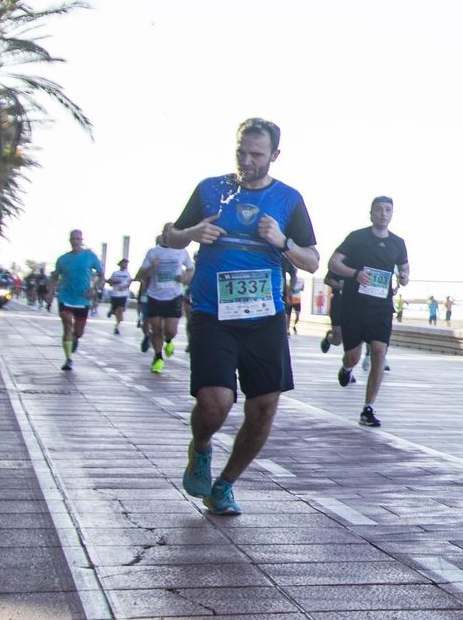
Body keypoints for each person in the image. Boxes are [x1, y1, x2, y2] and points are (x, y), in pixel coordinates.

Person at [164, 118, 319, 515]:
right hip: (212, 312)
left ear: (274, 156)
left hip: (265, 316)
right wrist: (193, 232)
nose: (247, 161)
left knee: (264, 407)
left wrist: (282, 241)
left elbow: (313, 262)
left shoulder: (288, 200)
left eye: (256, 154)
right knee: (216, 403)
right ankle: (200, 448)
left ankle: (226, 484)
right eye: (241, 152)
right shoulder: (210, 190)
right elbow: (168, 236)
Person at [328, 196, 410, 427]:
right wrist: (355, 274)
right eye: (379, 210)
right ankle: (346, 368)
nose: (383, 214)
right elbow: (333, 263)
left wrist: (404, 277)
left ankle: (368, 408)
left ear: (392, 214)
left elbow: (404, 269)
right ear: (371, 213)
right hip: (354, 306)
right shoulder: (357, 237)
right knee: (353, 356)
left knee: (378, 353)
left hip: (381, 308)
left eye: (387, 210)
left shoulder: (398, 243)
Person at [136, 226, 195, 374]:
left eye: (173, 231)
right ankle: (158, 357)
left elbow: (190, 269)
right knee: (156, 329)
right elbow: (140, 274)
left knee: (170, 330)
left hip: (174, 296)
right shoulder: (153, 252)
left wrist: (185, 278)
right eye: (167, 231)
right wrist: (151, 266)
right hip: (154, 296)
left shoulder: (181, 251)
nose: (170, 234)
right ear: (163, 233)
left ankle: (168, 341)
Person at [51, 230, 105, 371]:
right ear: (69, 240)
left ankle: (75, 339)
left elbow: (101, 275)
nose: (75, 241)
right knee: (67, 324)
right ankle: (68, 359)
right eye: (73, 239)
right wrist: (49, 292)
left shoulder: (90, 257)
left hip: (83, 299)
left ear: (82, 240)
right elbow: (54, 277)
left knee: (79, 332)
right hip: (65, 297)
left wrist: (94, 289)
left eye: (77, 239)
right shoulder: (62, 259)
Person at [106, 260, 134, 333]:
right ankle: (112, 311)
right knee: (116, 311)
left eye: (126, 264)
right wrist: (115, 282)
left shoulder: (127, 273)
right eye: (124, 263)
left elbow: (129, 281)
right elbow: (108, 281)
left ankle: (117, 326)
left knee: (121, 310)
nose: (125, 265)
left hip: (123, 295)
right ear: (120, 264)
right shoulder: (115, 273)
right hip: (115, 294)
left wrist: (127, 286)